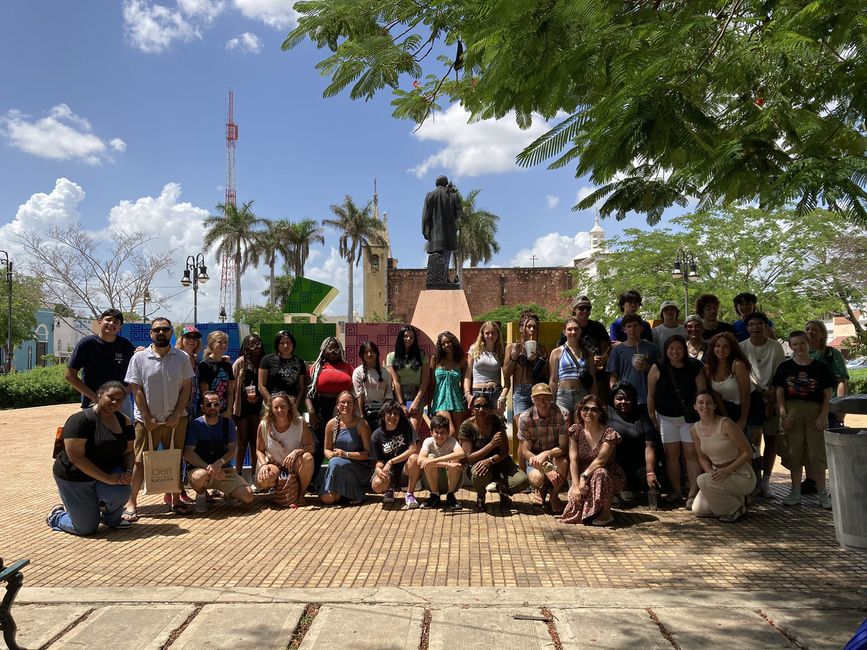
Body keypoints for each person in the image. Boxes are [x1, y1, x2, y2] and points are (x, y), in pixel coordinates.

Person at [122, 317, 195, 521]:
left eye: (165, 329)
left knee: (174, 459)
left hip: (176, 419)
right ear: (151, 334)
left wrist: (176, 414)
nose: (161, 333)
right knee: (139, 462)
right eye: (157, 330)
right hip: (146, 421)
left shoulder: (181, 358)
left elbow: (186, 388)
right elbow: (136, 389)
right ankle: (132, 502)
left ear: (171, 333)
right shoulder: (139, 358)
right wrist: (146, 416)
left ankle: (175, 500)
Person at [47, 380, 135, 535]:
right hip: (75, 476)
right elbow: (76, 458)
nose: (115, 402)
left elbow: (129, 451)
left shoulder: (124, 420)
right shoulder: (79, 420)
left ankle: (112, 518)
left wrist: (128, 470)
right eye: (111, 397)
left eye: (119, 399)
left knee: (120, 492)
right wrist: (108, 479)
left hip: (107, 470)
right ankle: (57, 516)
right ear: (100, 395)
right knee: (85, 528)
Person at [774, 331, 834, 508]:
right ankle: (795, 492)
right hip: (792, 412)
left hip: (815, 412)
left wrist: (824, 416)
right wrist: (783, 415)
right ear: (790, 346)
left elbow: (827, 393)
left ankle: (823, 493)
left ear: (808, 344)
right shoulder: (784, 367)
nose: (799, 347)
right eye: (795, 344)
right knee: (794, 453)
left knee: (817, 454)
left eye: (802, 343)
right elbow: (779, 392)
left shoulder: (820, 367)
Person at [646, 335, 707, 507]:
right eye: (671, 348)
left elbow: (702, 393)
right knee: (671, 455)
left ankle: (693, 493)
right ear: (666, 350)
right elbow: (650, 395)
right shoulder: (658, 367)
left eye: (679, 348)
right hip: (665, 418)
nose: (675, 352)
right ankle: (676, 491)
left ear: (685, 349)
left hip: (689, 418)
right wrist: (652, 416)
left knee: (691, 455)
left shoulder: (695, 366)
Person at [689, 392, 756, 522]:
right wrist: (710, 471)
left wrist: (727, 470)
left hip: (741, 474)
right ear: (695, 406)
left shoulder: (726, 424)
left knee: (702, 480)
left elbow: (747, 452)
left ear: (714, 406)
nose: (705, 406)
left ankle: (735, 509)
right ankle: (736, 502)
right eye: (701, 403)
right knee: (698, 510)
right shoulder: (694, 430)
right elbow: (701, 457)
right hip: (717, 475)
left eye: (709, 403)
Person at [183, 391, 254, 512]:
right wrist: (209, 468)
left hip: (224, 470)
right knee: (200, 477)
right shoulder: (195, 425)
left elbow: (232, 450)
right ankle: (202, 494)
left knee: (248, 496)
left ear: (220, 406)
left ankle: (228, 495)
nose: (213, 407)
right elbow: (188, 453)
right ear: (202, 407)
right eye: (208, 405)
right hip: (200, 469)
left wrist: (219, 463)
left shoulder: (228, 424)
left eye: (216, 404)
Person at [740, 312, 785, 498]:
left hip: (773, 396)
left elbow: (780, 372)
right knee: (753, 442)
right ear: (747, 327)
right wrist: (760, 391)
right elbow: (744, 374)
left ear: (765, 326)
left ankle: (766, 482)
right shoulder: (742, 347)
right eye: (751, 324)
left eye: (760, 323)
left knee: (771, 439)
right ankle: (753, 482)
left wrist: (772, 394)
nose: (755, 327)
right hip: (752, 397)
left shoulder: (775, 347)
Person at [561, 395, 625, 526]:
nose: (589, 412)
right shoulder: (575, 430)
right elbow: (573, 459)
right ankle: (593, 510)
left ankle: (606, 513)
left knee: (600, 473)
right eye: (585, 409)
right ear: (580, 411)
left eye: (594, 409)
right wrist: (575, 485)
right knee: (573, 515)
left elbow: (601, 460)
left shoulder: (609, 433)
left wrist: (584, 477)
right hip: (582, 475)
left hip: (607, 475)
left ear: (601, 413)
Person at [459, 393, 529, 511]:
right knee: (477, 474)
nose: (481, 409)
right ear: (472, 408)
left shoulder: (497, 422)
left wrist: (490, 460)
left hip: (500, 462)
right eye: (477, 406)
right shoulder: (466, 426)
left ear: (490, 409)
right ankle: (481, 496)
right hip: (479, 465)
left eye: (485, 406)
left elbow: (505, 451)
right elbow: (468, 458)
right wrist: (491, 445)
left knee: (522, 481)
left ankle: (503, 489)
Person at [803, 319, 849, 496]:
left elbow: (841, 380)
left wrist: (840, 407)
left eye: (815, 329)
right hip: (808, 408)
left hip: (829, 407)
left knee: (830, 447)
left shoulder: (831, 353)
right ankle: (811, 480)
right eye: (807, 329)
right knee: (809, 445)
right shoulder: (800, 353)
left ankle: (835, 484)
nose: (811, 332)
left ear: (823, 333)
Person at [65, 308, 135, 417]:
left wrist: (125, 392)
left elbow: (136, 373)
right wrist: (95, 397)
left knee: (124, 433)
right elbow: (69, 376)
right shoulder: (87, 344)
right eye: (108, 320)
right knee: (95, 434)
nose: (111, 323)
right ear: (100, 322)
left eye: (116, 322)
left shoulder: (126, 345)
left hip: (121, 404)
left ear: (120, 327)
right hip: (93, 402)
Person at [306, 337, 354, 484]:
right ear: (323, 350)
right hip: (320, 408)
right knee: (318, 445)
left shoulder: (348, 367)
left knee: (341, 444)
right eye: (330, 348)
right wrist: (311, 412)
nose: (333, 351)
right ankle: (310, 481)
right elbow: (308, 394)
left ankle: (340, 481)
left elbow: (353, 389)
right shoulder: (315, 368)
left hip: (342, 408)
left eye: (336, 348)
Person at [517, 383, 570, 514]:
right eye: (538, 398)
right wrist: (547, 469)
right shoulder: (525, 418)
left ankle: (554, 495)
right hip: (535, 457)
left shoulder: (563, 414)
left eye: (546, 397)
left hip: (555, 454)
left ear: (552, 398)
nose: (542, 402)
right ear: (532, 399)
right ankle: (540, 489)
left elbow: (563, 447)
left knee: (563, 463)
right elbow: (525, 451)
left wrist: (547, 453)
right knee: (536, 478)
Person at [608, 381, 662, 500]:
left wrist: (650, 472)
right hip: (614, 465)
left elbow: (650, 446)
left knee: (648, 484)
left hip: (639, 464)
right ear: (612, 399)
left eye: (627, 399)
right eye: (619, 398)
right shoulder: (606, 414)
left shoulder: (641, 414)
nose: (623, 402)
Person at [318, 390, 374, 505]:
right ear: (337, 405)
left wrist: (345, 454)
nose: (346, 405)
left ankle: (358, 494)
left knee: (336, 462)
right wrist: (330, 454)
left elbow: (368, 454)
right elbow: (326, 449)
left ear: (354, 405)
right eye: (342, 402)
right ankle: (345, 494)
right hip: (338, 466)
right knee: (327, 499)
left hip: (360, 467)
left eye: (349, 402)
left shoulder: (361, 424)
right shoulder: (331, 424)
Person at [255, 392, 315, 498]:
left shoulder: (300, 422)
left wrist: (296, 452)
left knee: (308, 458)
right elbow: (259, 450)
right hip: (275, 464)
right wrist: (263, 464)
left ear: (289, 407)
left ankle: (300, 494)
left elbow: (310, 447)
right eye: (276, 407)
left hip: (294, 464)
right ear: (271, 409)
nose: (279, 410)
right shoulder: (264, 425)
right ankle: (279, 489)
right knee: (263, 481)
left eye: (283, 407)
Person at [369, 400, 422, 509]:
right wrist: (378, 470)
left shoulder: (406, 426)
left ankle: (409, 494)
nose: (392, 416)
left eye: (396, 414)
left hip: (405, 469)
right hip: (389, 472)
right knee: (377, 485)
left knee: (415, 458)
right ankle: (389, 489)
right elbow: (378, 461)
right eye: (389, 413)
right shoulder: (376, 435)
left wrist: (391, 461)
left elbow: (413, 449)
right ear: (383, 415)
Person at [503, 309, 549, 418]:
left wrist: (538, 360)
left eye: (535, 327)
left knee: (537, 430)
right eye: (529, 327)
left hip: (537, 390)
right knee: (522, 430)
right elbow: (505, 374)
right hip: (520, 392)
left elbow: (548, 375)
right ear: (521, 328)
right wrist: (514, 358)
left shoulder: (542, 349)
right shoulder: (512, 347)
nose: (532, 330)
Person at [386, 325, 430, 433]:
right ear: (401, 337)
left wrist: (416, 402)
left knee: (413, 431)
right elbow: (395, 382)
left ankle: (415, 449)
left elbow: (425, 381)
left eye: (411, 337)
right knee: (400, 431)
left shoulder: (421, 356)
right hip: (399, 395)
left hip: (417, 395)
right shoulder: (391, 356)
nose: (408, 339)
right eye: (406, 336)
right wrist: (401, 404)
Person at [606, 314, 659, 406]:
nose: (632, 329)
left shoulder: (652, 348)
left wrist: (647, 367)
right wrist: (616, 394)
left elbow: (660, 373)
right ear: (624, 329)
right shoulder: (617, 351)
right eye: (629, 326)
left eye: (635, 326)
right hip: (626, 400)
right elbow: (613, 377)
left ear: (641, 328)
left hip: (649, 398)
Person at [232, 333, 265, 480]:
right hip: (243, 407)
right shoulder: (240, 362)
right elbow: (232, 386)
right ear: (245, 347)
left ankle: (254, 475)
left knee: (255, 441)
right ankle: (238, 475)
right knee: (241, 441)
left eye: (258, 344)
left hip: (259, 406)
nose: (255, 347)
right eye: (251, 344)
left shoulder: (264, 362)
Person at [704, 332, 752, 431]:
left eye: (726, 347)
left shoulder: (737, 365)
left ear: (732, 349)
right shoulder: (709, 368)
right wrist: (725, 417)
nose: (721, 350)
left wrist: (743, 419)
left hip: (748, 408)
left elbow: (746, 394)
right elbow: (716, 394)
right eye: (717, 346)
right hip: (728, 409)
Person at [418, 414, 467, 510]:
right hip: (431, 481)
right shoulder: (428, 441)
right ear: (431, 432)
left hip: (452, 481)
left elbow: (461, 454)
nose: (439, 436)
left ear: (448, 432)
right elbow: (420, 460)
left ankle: (450, 495)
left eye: (443, 432)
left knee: (455, 459)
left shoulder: (452, 441)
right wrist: (447, 464)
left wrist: (436, 460)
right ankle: (435, 495)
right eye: (436, 432)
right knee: (429, 458)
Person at [549, 317, 597, 414]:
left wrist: (595, 400)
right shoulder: (556, 352)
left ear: (580, 331)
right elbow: (553, 380)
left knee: (579, 426)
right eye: (569, 329)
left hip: (582, 394)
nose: (573, 332)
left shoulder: (588, 353)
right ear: (564, 332)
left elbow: (592, 378)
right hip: (563, 395)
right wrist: (550, 401)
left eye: (576, 329)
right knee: (563, 425)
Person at [569, 296, 611, 402]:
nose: (585, 311)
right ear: (574, 309)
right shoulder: (570, 328)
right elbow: (563, 352)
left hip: (598, 376)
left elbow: (607, 349)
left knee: (599, 406)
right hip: (577, 377)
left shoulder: (598, 327)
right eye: (582, 308)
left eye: (588, 308)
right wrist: (588, 361)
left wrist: (602, 358)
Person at [422, 175, 462, 283]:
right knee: (446, 256)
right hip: (449, 234)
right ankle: (443, 277)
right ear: (446, 183)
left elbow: (425, 216)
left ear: (436, 184)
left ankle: (441, 278)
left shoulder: (430, 195)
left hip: (435, 234)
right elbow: (459, 213)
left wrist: (425, 232)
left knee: (436, 257)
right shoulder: (452, 196)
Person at [464, 320, 508, 415]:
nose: (490, 336)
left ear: (498, 334)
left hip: (495, 392)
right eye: (487, 333)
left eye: (493, 333)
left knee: (497, 424)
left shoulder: (501, 351)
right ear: (482, 334)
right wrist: (467, 394)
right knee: (480, 425)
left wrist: (503, 395)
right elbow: (467, 375)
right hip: (478, 392)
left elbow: (507, 377)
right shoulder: (474, 349)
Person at [429, 331, 468, 435]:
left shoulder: (461, 360)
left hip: (457, 400)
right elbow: (432, 383)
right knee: (449, 431)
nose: (446, 345)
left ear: (453, 342)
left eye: (448, 342)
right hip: (440, 401)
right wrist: (429, 403)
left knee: (459, 432)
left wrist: (467, 399)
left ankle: (459, 451)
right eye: (443, 344)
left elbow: (465, 381)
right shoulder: (436, 360)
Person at [353, 340, 395, 432]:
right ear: (362, 355)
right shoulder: (358, 372)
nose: (369, 354)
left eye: (371, 351)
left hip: (381, 413)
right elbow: (359, 395)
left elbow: (388, 396)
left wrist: (385, 415)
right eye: (366, 352)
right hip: (365, 412)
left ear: (376, 353)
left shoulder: (385, 372)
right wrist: (362, 416)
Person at [258, 330, 307, 404]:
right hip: (271, 402)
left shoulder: (300, 362)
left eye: (288, 343)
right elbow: (261, 385)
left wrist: (295, 405)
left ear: (293, 344)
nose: (285, 345)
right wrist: (271, 403)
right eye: (282, 343)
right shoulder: (267, 359)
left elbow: (301, 388)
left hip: (291, 403)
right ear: (277, 345)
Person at [198, 330, 235, 418]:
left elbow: (230, 391)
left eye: (225, 342)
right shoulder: (205, 364)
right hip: (210, 411)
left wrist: (229, 410)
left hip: (225, 411)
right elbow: (205, 393)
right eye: (220, 342)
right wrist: (212, 411)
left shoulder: (227, 364)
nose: (224, 345)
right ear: (211, 344)